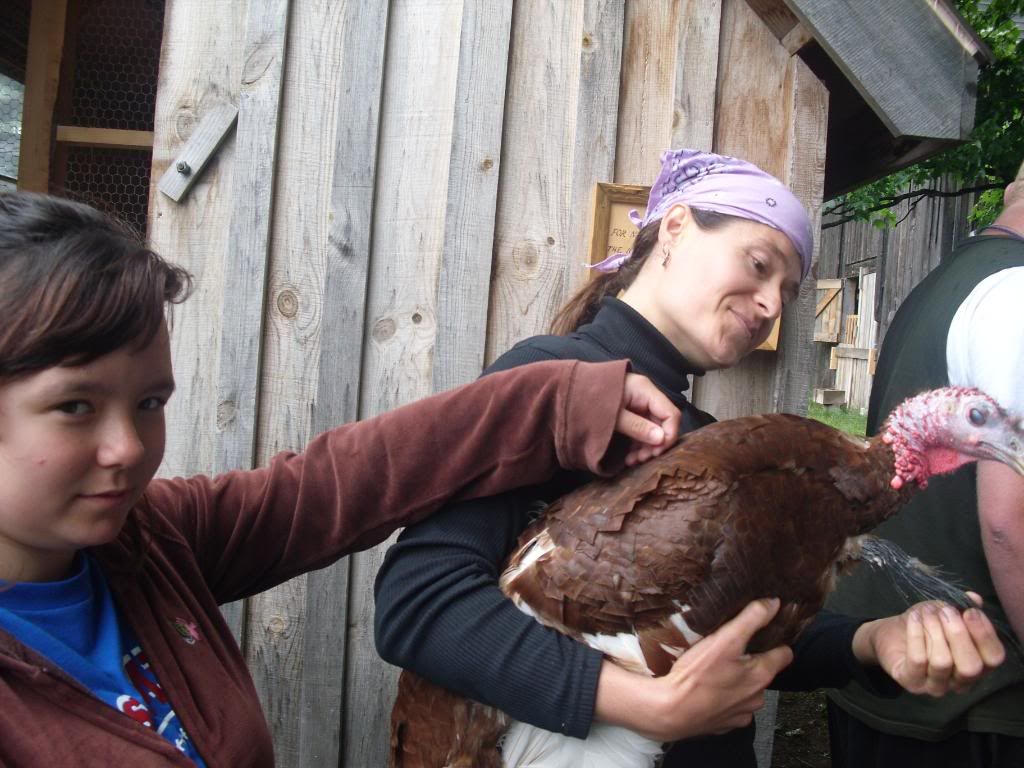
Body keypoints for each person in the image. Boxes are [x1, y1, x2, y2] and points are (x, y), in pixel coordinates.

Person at [0, 192, 685, 767]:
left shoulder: (147, 545)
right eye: (74, 407)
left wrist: (559, 404)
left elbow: (339, 482)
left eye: (149, 404)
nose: (126, 448)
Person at [374, 148, 1006, 765]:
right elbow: (417, 603)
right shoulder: (544, 385)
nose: (768, 304)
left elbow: (713, 627)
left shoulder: (704, 438)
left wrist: (872, 642)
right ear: (675, 228)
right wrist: (646, 707)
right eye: (759, 265)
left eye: (786, 292)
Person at [826, 176, 1024, 767]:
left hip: (885, 660)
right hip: (974, 692)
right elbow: (1010, 522)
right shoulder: (1016, 295)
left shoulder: (943, 283)